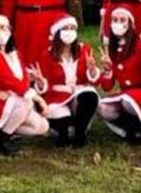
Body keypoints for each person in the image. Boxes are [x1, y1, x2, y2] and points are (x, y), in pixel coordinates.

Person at [0, 15, 51, 156]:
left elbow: (22, 79)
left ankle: (0, 133)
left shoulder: (14, 53)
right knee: (25, 102)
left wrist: (32, 79)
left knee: (42, 126)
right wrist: (37, 98)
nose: (0, 33)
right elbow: (9, 80)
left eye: (3, 28)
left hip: (10, 98)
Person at [96, 8, 141, 144]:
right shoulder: (112, 49)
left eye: (122, 20)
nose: (118, 23)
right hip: (127, 95)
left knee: (128, 103)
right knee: (102, 108)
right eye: (115, 20)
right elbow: (107, 87)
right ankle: (131, 130)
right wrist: (107, 69)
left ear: (131, 24)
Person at [33, 13, 100, 147]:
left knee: (89, 95)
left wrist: (92, 70)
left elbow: (93, 81)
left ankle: (80, 134)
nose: (69, 32)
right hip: (57, 97)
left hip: (78, 94)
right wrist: (40, 83)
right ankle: (63, 131)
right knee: (62, 130)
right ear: (57, 33)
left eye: (72, 28)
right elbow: (44, 85)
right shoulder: (47, 54)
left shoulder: (84, 50)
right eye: (65, 28)